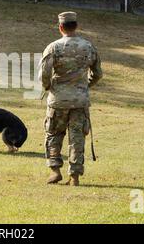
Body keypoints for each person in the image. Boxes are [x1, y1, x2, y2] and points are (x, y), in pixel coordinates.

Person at [39, 12, 103, 186]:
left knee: (53, 134)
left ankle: (55, 171)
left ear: (60, 27)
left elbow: (44, 74)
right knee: (77, 138)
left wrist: (48, 86)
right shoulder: (88, 47)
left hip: (58, 100)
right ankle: (74, 176)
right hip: (80, 101)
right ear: (76, 26)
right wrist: (85, 86)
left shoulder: (53, 47)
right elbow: (98, 73)